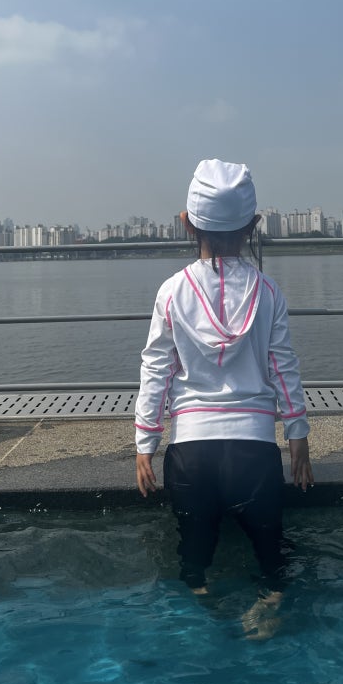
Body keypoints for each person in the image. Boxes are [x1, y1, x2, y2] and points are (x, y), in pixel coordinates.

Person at [135, 159, 313, 620]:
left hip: (190, 456)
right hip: (255, 453)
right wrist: (297, 437)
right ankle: (269, 605)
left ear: (186, 223)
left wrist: (145, 443)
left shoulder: (171, 291)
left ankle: (203, 607)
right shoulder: (268, 291)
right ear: (253, 226)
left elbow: (156, 369)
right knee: (272, 555)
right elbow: (283, 367)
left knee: (193, 558)